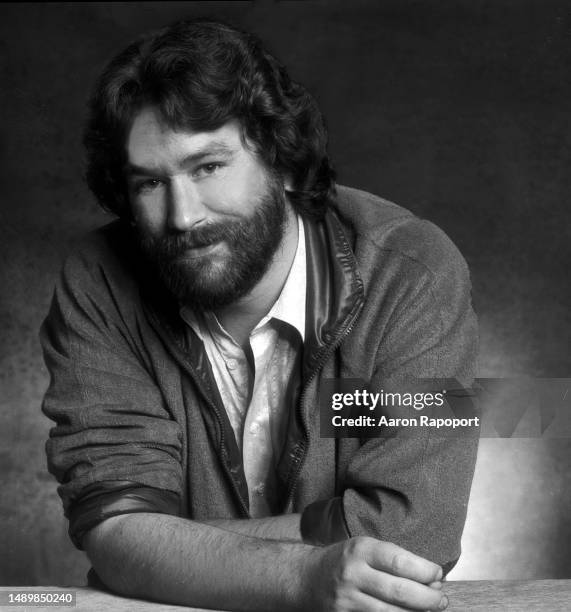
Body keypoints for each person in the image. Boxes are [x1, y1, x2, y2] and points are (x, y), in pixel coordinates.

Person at [40, 18, 478, 612]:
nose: (182, 216)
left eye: (208, 167)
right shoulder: (99, 282)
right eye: (149, 182)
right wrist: (303, 573)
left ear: (284, 160)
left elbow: (411, 533)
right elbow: (114, 531)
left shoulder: (414, 274)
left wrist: (164, 549)